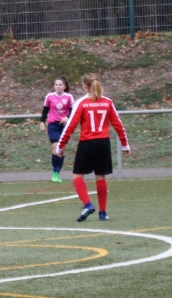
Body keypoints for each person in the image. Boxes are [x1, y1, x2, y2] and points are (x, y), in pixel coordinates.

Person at [55, 73, 130, 222]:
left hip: (87, 143)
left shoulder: (82, 103)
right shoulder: (107, 102)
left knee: (77, 176)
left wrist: (60, 146)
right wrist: (125, 144)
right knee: (100, 177)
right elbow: (118, 125)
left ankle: (88, 204)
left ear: (85, 86)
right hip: (103, 143)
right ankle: (103, 213)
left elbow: (71, 126)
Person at [40, 77, 74, 183]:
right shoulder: (49, 96)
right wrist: (42, 123)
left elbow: (73, 111)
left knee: (62, 150)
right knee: (56, 149)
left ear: (64, 86)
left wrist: (67, 117)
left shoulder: (69, 97)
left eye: (60, 85)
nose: (58, 86)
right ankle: (54, 173)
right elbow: (45, 110)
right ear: (54, 86)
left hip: (65, 126)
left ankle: (58, 172)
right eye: (56, 85)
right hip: (53, 126)